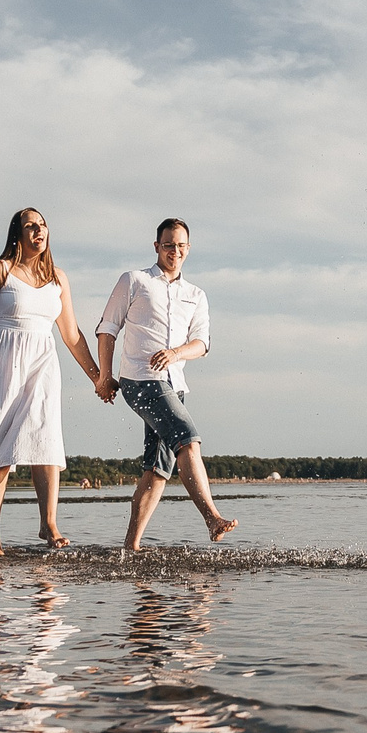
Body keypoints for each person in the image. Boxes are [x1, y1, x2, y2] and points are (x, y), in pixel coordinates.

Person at [0, 207, 111, 556]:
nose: (38, 231)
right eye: (30, 226)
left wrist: (98, 378)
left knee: (45, 437)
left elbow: (71, 334)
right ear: (17, 234)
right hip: (0, 362)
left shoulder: (58, 278)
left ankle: (48, 524)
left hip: (42, 362)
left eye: (42, 225)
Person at [95, 218, 237, 551]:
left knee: (158, 469)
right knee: (188, 441)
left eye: (181, 245)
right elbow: (107, 329)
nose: (175, 251)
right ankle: (212, 518)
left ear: (188, 249)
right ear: (157, 246)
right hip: (141, 380)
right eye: (169, 244)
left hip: (175, 385)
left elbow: (201, 343)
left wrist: (175, 353)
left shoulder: (196, 295)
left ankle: (130, 547)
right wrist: (104, 376)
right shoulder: (134, 281)